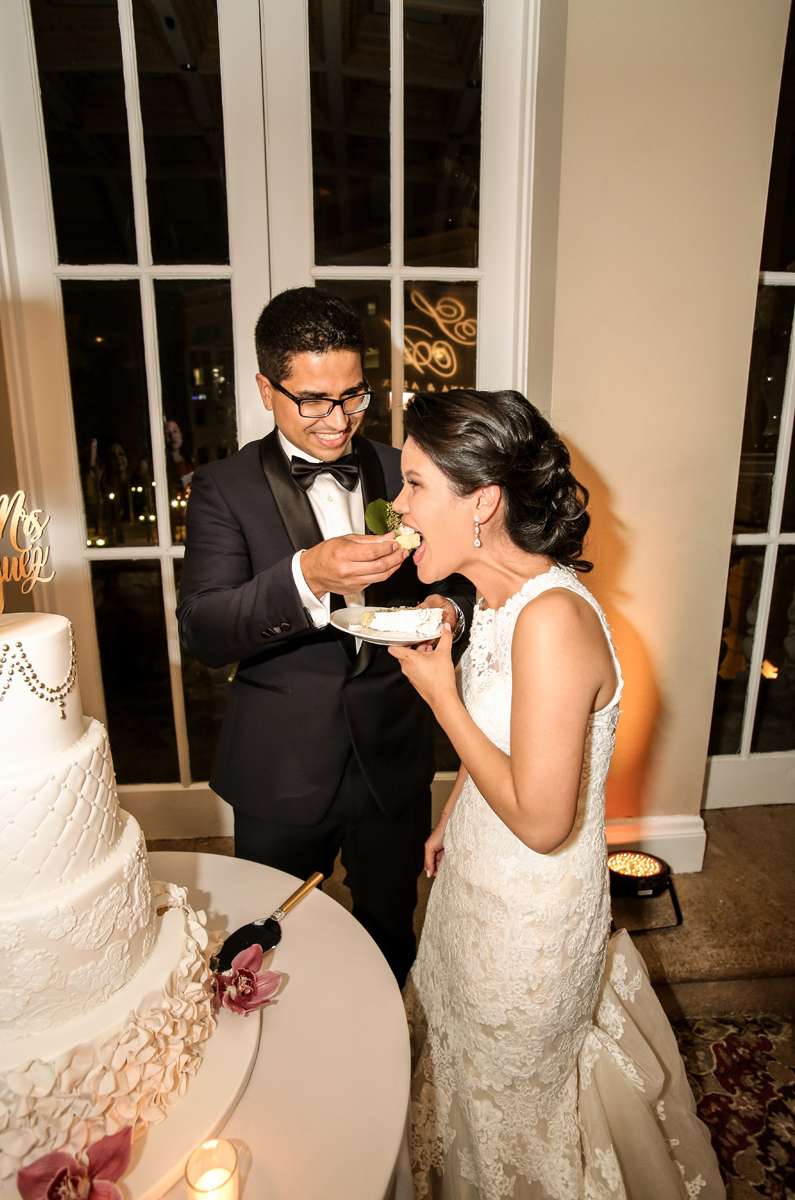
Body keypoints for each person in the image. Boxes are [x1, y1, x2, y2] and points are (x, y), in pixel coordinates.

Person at [388, 390, 725, 1199]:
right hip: (476, 881)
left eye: (414, 484)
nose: (397, 505)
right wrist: (453, 812)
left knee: (512, 1105)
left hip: (527, 919)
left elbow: (544, 822)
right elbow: (512, 740)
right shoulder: (499, 598)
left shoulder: (553, 621)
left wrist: (440, 696)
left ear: (483, 502)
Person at [176, 288, 475, 986]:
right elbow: (204, 630)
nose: (338, 421)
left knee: (390, 929)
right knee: (268, 940)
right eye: (313, 400)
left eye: (353, 396)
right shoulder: (222, 487)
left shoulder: (404, 467)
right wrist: (305, 575)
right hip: (279, 766)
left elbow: (467, 575)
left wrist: (450, 610)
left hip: (392, 758)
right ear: (266, 390)